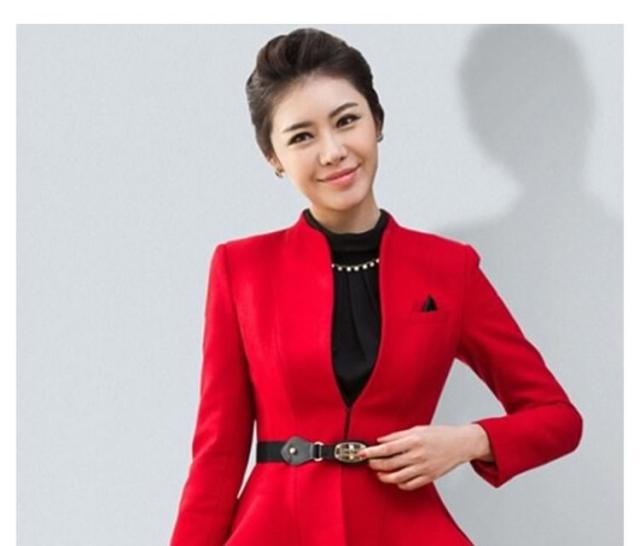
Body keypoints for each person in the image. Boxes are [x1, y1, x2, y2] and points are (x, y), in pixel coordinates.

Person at [169, 28, 583, 546]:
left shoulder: (449, 268)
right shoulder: (241, 269)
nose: (333, 151)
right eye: (302, 137)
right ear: (273, 157)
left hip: (408, 529)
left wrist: (467, 441)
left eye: (347, 121)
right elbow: (217, 455)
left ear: (377, 122)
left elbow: (558, 418)